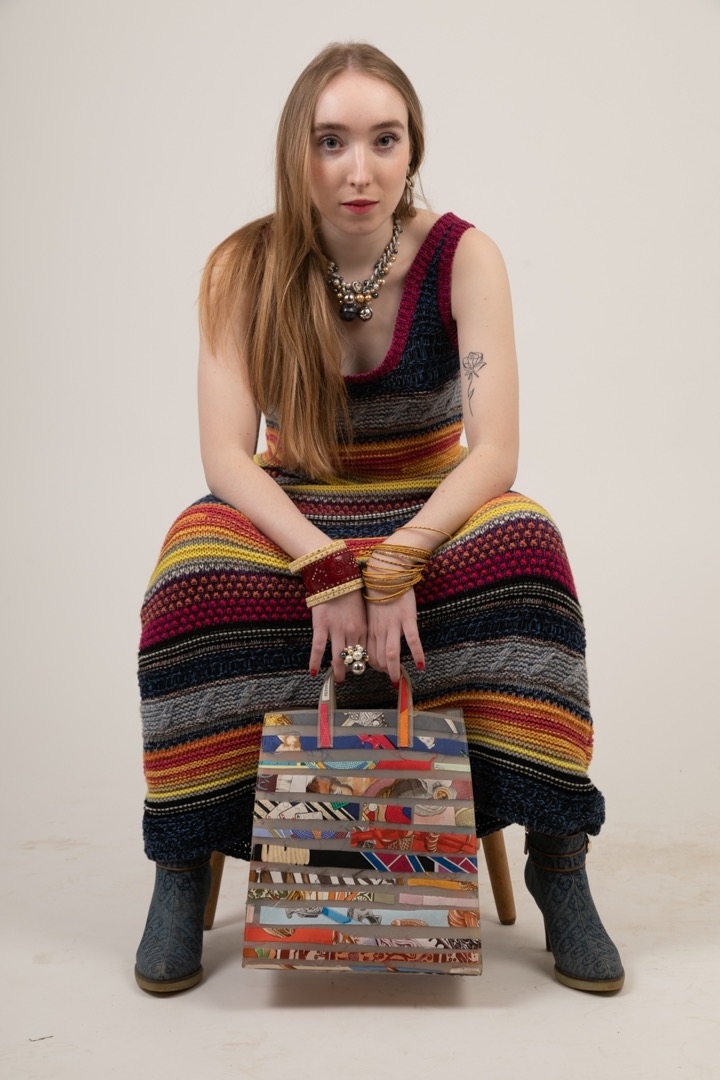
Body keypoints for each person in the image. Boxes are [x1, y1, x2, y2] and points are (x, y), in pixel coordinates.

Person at [134, 41, 624, 995]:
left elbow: (494, 450)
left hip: (428, 501)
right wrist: (323, 565)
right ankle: (182, 859)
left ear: (412, 149)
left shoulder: (465, 257)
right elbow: (228, 457)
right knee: (191, 574)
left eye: (383, 140)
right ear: (298, 150)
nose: (358, 169)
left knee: (529, 550)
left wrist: (401, 558)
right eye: (331, 141)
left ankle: (560, 859)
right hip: (294, 504)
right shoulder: (242, 266)